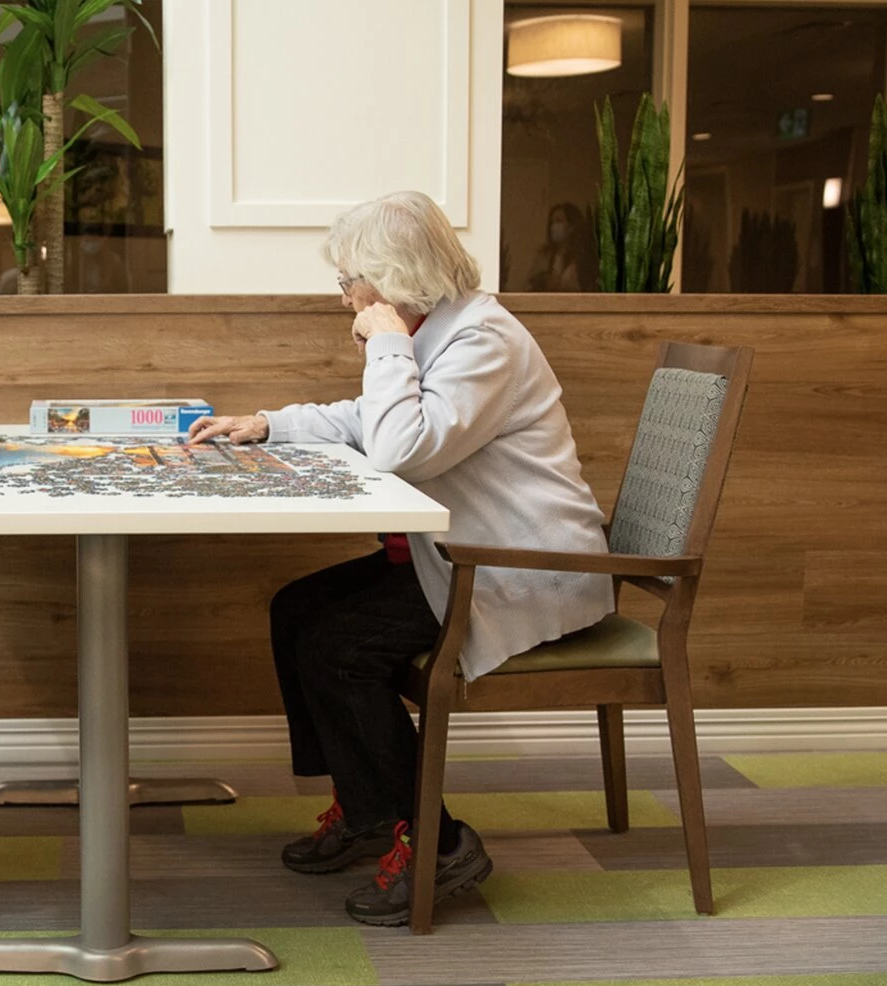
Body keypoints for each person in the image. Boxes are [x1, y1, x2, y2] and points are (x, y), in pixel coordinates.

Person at [186, 190, 612, 926]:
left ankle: (441, 844)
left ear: (391, 279)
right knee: (299, 610)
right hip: (461, 555)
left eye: (351, 281)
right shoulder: (443, 331)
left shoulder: (484, 341)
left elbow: (399, 447)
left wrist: (384, 343)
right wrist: (268, 423)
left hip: (519, 567)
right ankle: (372, 812)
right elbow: (371, 417)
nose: (345, 297)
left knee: (338, 648)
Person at [527, 202, 595, 292]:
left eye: (559, 221)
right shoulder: (544, 255)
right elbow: (529, 285)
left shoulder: (582, 257)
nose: (553, 227)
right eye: (552, 222)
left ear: (572, 226)